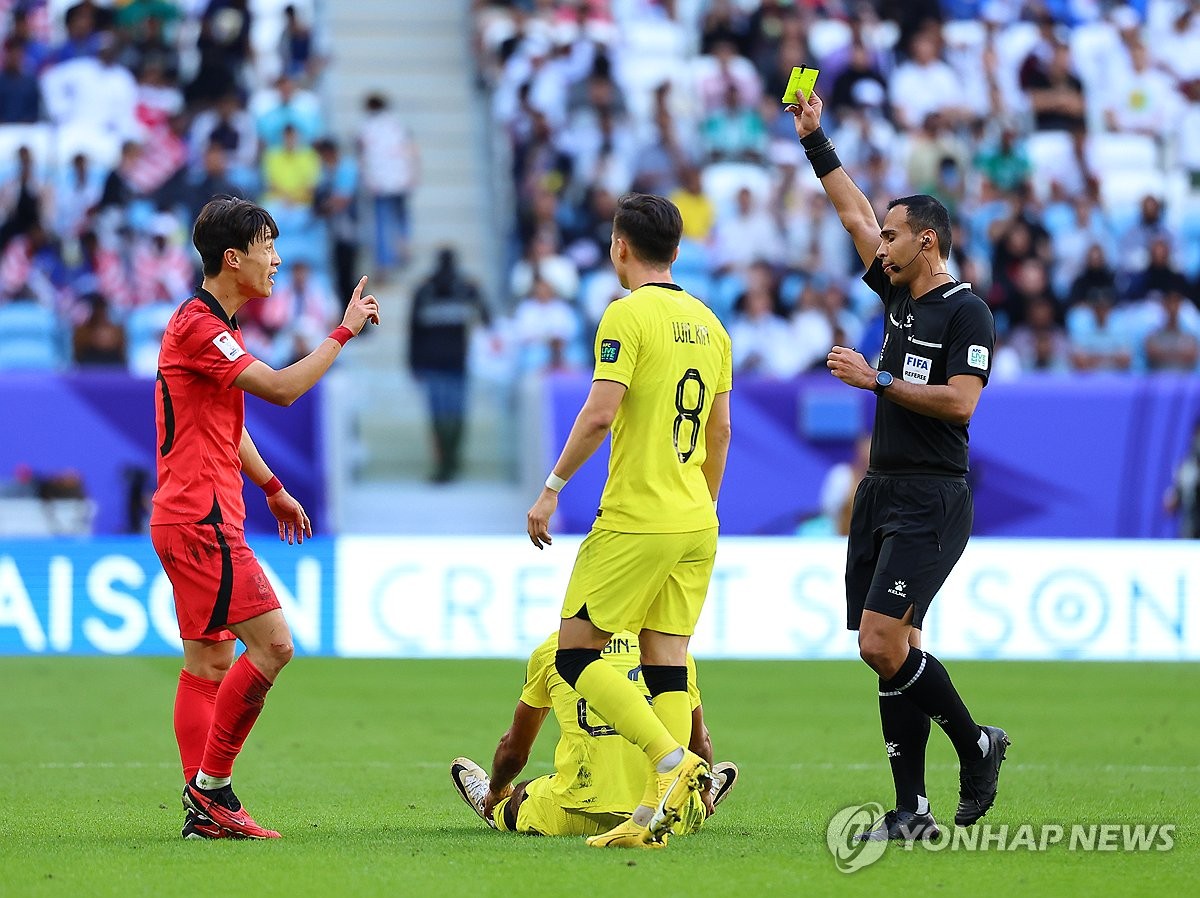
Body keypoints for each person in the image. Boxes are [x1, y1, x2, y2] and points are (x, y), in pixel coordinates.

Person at [786, 88, 1009, 842]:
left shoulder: (965, 311)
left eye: (892, 234)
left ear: (928, 242)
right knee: (896, 650)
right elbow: (850, 212)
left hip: (933, 496)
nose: (879, 243)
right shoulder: (899, 296)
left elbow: (961, 404)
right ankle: (911, 812)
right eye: (881, 235)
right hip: (881, 490)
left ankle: (977, 746)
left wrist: (877, 380)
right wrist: (817, 141)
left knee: (880, 644)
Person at [151, 196, 379, 840]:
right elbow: (280, 390)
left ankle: (204, 804)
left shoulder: (212, 327)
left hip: (188, 514)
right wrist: (343, 332)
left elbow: (228, 425)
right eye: (267, 247)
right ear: (233, 258)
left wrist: (273, 486)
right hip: (201, 518)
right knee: (274, 645)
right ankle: (213, 791)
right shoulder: (200, 326)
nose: (275, 260)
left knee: (207, 661)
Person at [525, 193, 733, 849]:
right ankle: (658, 813)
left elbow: (599, 414)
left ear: (620, 246)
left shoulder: (626, 314)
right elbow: (721, 431)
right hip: (696, 517)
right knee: (664, 658)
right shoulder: (712, 324)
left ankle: (671, 761)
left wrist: (552, 488)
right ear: (677, 251)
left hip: (636, 518)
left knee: (574, 654)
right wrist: (700, 507)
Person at [449, 630, 738, 836]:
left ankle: (493, 807)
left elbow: (514, 750)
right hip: (665, 819)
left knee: (522, 793)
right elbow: (700, 742)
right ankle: (703, 793)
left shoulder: (554, 650)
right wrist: (701, 797)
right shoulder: (675, 654)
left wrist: (498, 788)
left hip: (574, 814)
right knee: (688, 794)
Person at [408, 248, 491, 482]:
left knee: (444, 416)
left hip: (443, 363)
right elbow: (487, 317)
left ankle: (448, 464)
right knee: (451, 415)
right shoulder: (460, 289)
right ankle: (449, 463)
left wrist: (414, 363)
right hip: (451, 363)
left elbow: (413, 333)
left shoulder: (426, 290)